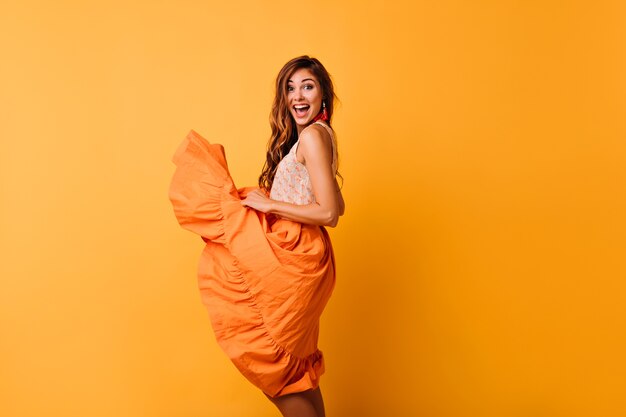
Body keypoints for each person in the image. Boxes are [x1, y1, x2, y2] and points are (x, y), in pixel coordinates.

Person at [168, 55, 344, 417]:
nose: (298, 95)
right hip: (304, 253)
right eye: (290, 88)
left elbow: (329, 214)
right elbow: (338, 204)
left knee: (275, 368)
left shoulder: (312, 137)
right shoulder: (321, 135)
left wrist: (271, 206)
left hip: (295, 254)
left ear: (323, 94)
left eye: (307, 86)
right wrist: (272, 203)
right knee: (294, 369)